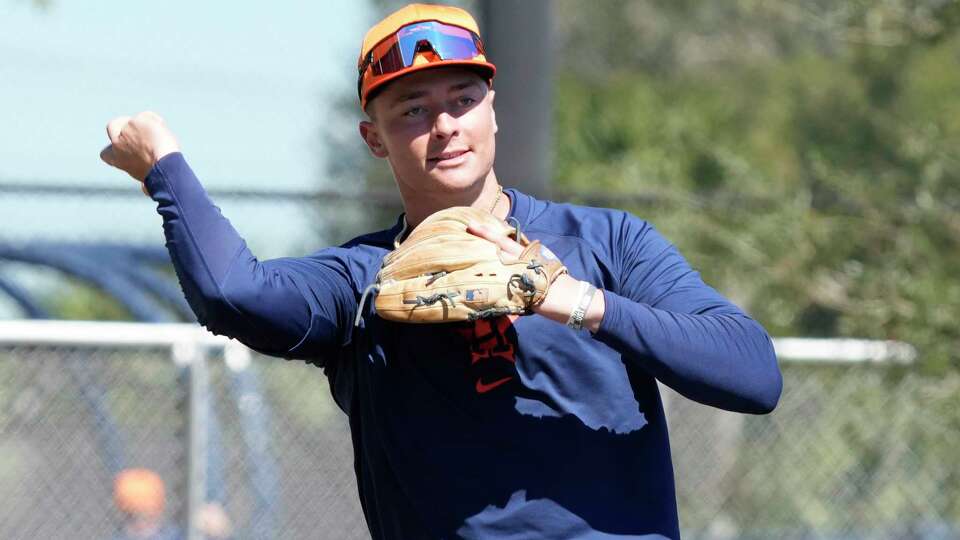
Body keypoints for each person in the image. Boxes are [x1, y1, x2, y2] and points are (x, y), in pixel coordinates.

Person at [100, 4, 783, 539]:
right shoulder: (362, 280)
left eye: (462, 99)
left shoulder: (605, 243)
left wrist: (575, 301)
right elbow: (230, 294)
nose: (446, 125)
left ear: (494, 111)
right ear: (374, 137)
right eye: (413, 111)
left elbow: (753, 374)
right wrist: (165, 167)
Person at [112, 468, 183, 540]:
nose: (141, 525)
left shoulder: (174, 535)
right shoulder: (121, 536)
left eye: (146, 518)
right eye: (133, 517)